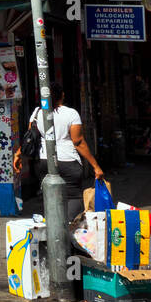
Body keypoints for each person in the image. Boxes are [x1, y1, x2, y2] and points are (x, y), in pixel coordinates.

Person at [11, 85, 106, 221]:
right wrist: (95, 166)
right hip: (68, 162)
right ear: (62, 95)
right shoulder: (71, 113)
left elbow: (31, 138)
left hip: (44, 162)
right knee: (73, 197)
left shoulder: (37, 113)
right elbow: (78, 141)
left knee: (50, 198)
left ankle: (53, 230)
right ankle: (64, 229)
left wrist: (18, 154)